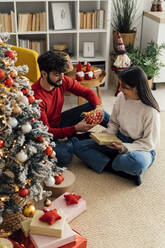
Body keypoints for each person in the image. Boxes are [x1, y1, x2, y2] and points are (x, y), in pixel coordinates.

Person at [73, 66, 160, 186]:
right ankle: (122, 170)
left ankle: (108, 162)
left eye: (125, 87)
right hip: (118, 139)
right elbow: (114, 123)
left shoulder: (150, 110)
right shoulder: (121, 98)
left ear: (138, 89)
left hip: (139, 148)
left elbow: (149, 143)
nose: (120, 89)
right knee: (78, 147)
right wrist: (107, 138)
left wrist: (123, 147)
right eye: (120, 85)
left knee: (137, 163)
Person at [32, 51, 110, 165]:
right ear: (44, 74)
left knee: (93, 105)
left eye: (63, 73)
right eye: (57, 74)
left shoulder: (62, 80)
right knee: (64, 157)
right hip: (45, 133)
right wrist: (75, 128)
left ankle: (118, 132)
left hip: (60, 121)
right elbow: (47, 131)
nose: (62, 77)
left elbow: (88, 92)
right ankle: (74, 139)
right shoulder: (36, 97)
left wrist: (98, 107)